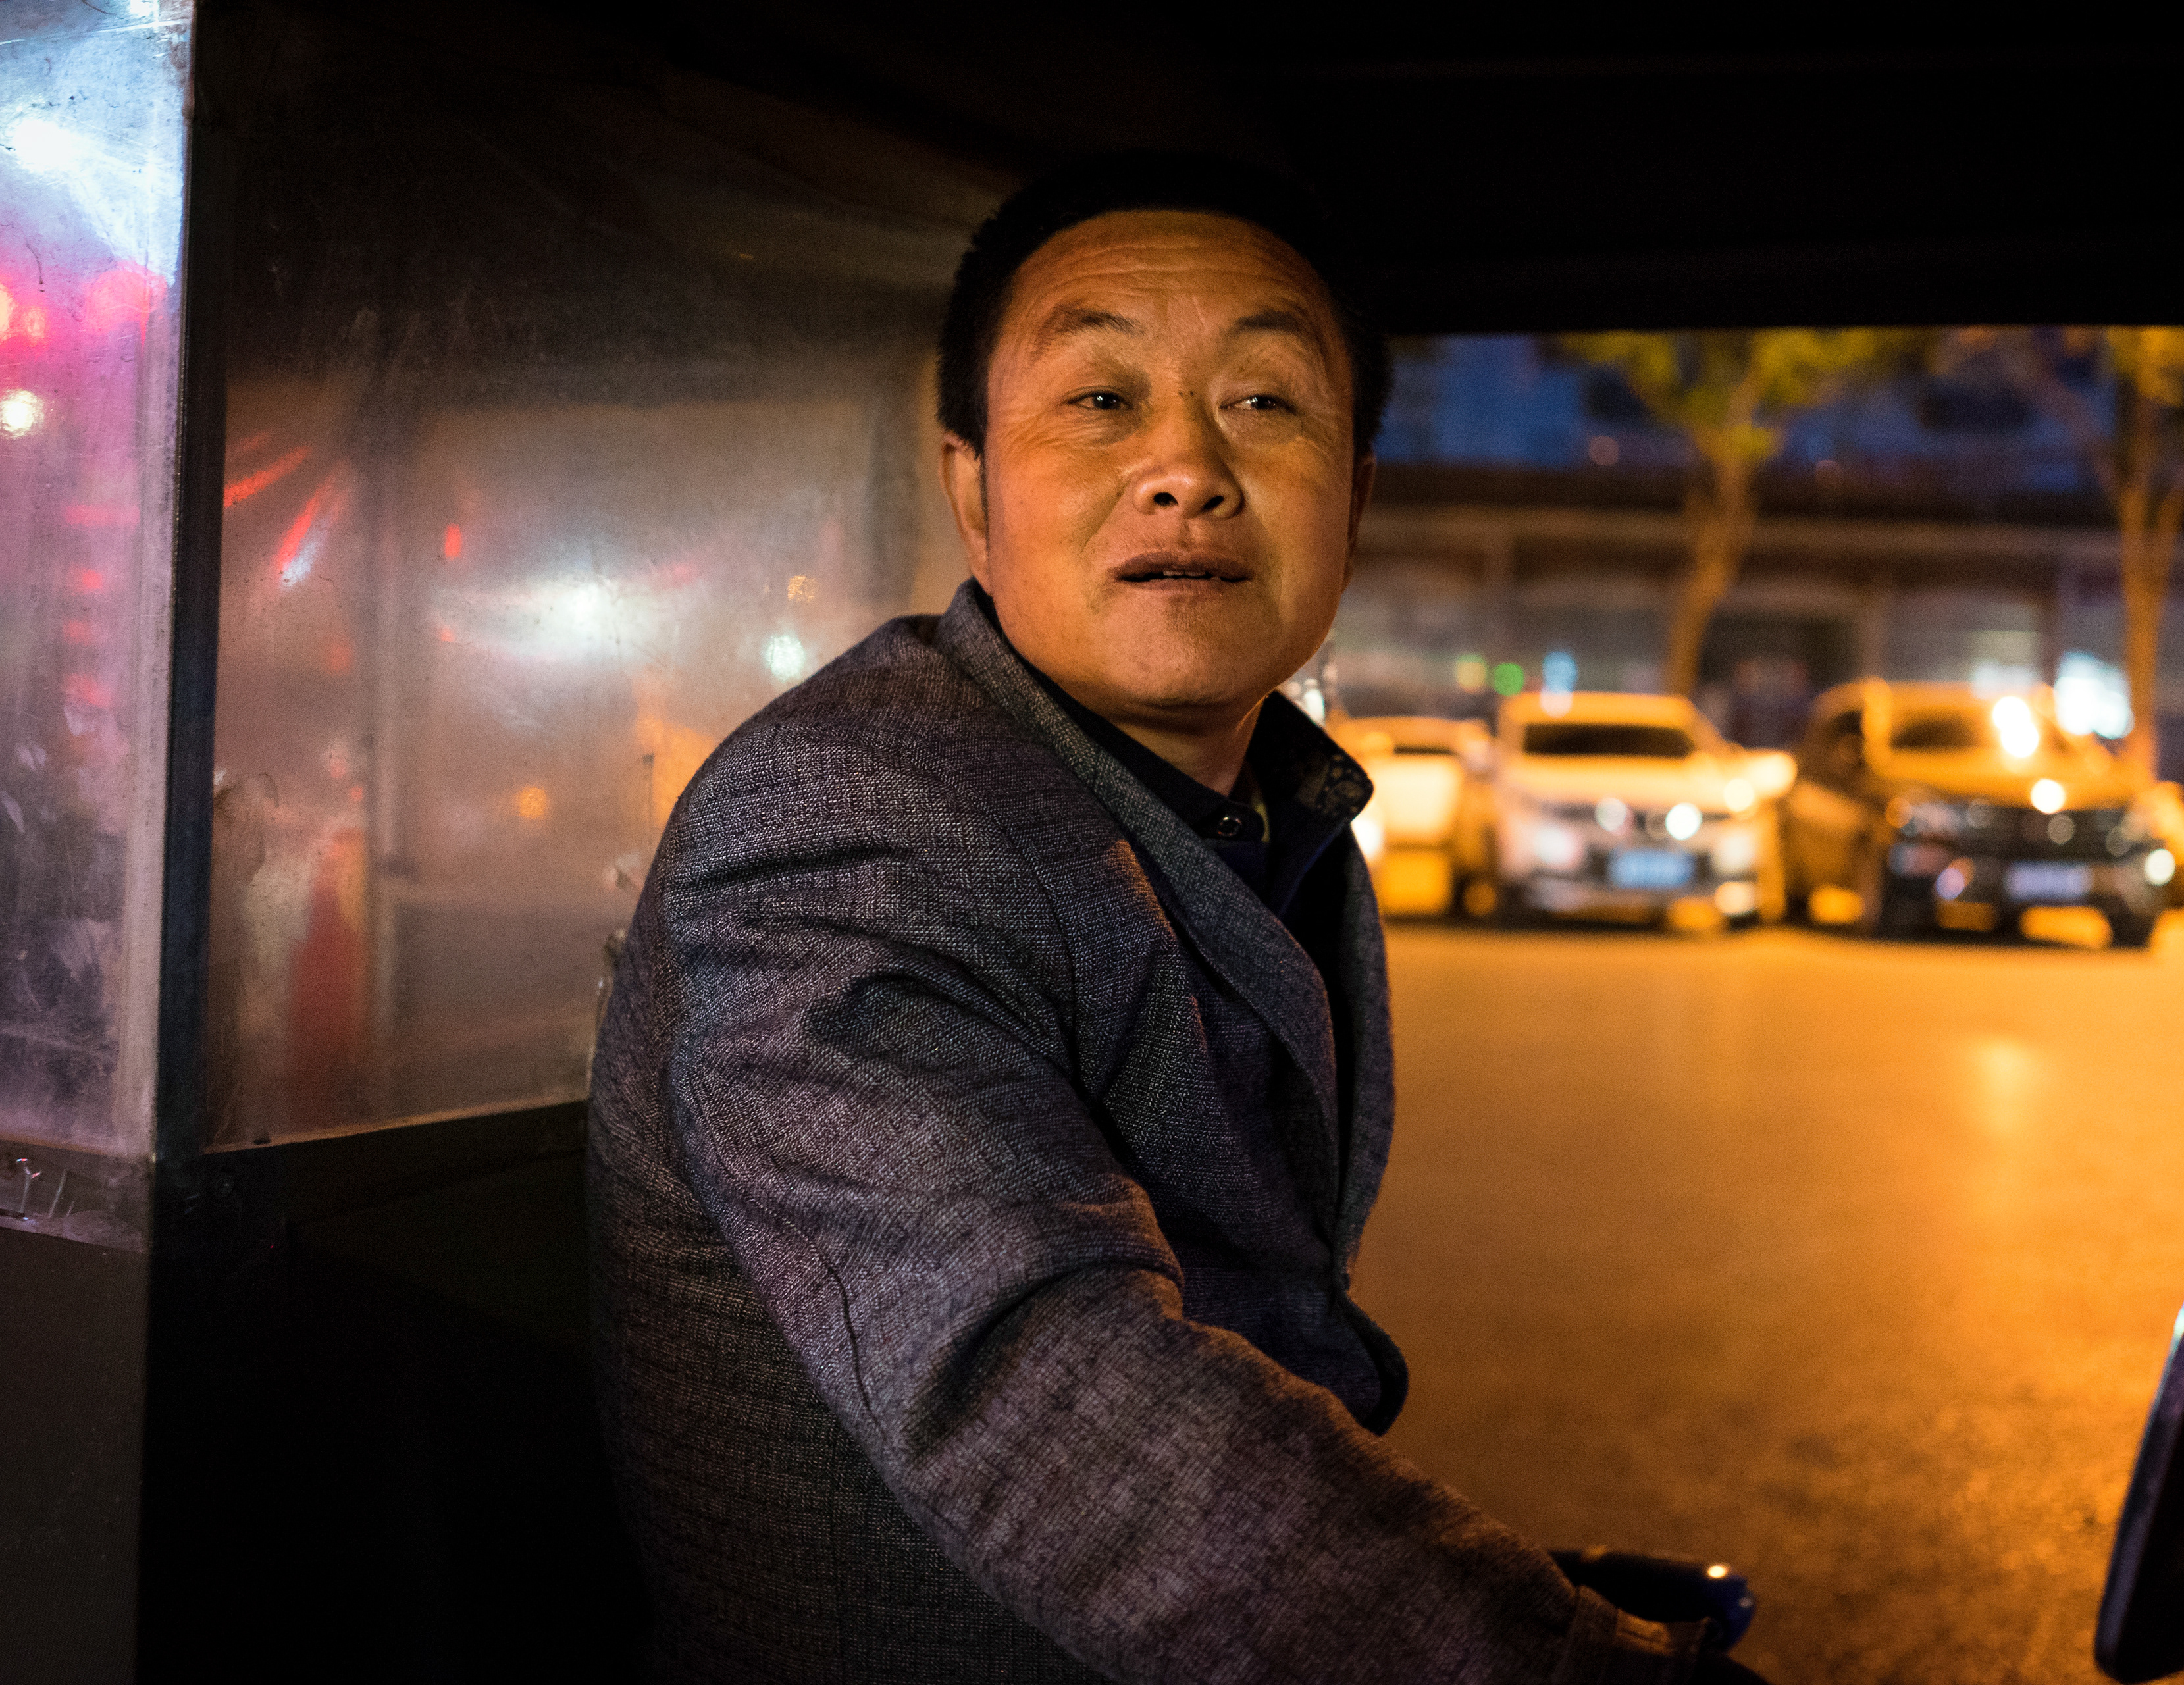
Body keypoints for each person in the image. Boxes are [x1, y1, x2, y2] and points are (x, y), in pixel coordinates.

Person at [588, 155, 1758, 1684]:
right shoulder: (852, 814)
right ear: (973, 491)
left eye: (1265, 401)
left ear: (1355, 494)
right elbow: (1045, 1378)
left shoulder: (1278, 811)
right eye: (1099, 400)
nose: (1188, 466)